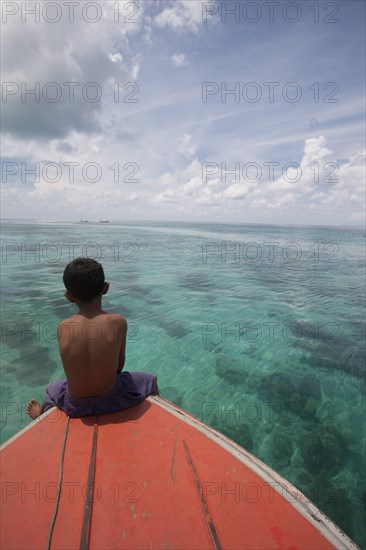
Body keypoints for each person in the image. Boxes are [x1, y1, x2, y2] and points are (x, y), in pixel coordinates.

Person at [26, 258, 158, 419]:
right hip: (112, 400)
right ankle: (157, 417)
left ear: (68, 296)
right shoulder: (118, 322)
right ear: (105, 287)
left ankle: (40, 414)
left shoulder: (63, 326)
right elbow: (119, 368)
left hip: (75, 405)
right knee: (150, 379)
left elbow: (72, 370)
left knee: (52, 388)